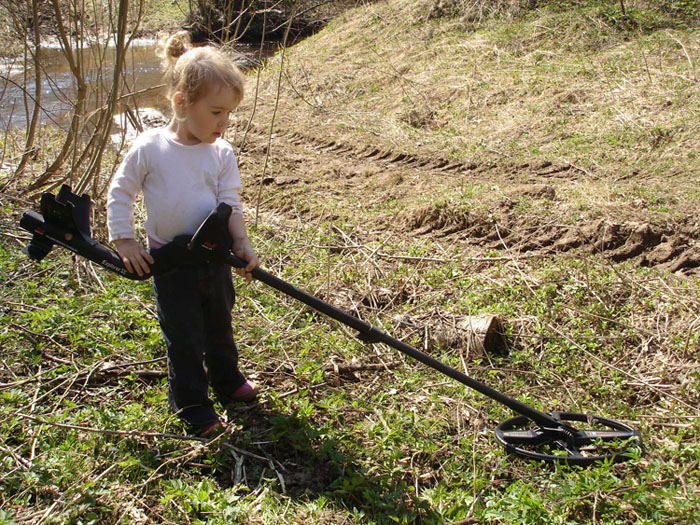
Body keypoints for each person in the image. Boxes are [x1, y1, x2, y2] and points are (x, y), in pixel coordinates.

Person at [107, 31, 259, 437]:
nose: (224, 123)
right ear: (181, 103)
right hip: (172, 263)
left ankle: (227, 379)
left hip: (215, 258)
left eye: (229, 114)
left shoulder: (221, 152)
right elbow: (120, 193)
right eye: (216, 112)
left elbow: (230, 203)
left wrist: (242, 243)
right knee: (185, 335)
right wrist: (124, 240)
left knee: (219, 323)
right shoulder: (151, 148)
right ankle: (192, 404)